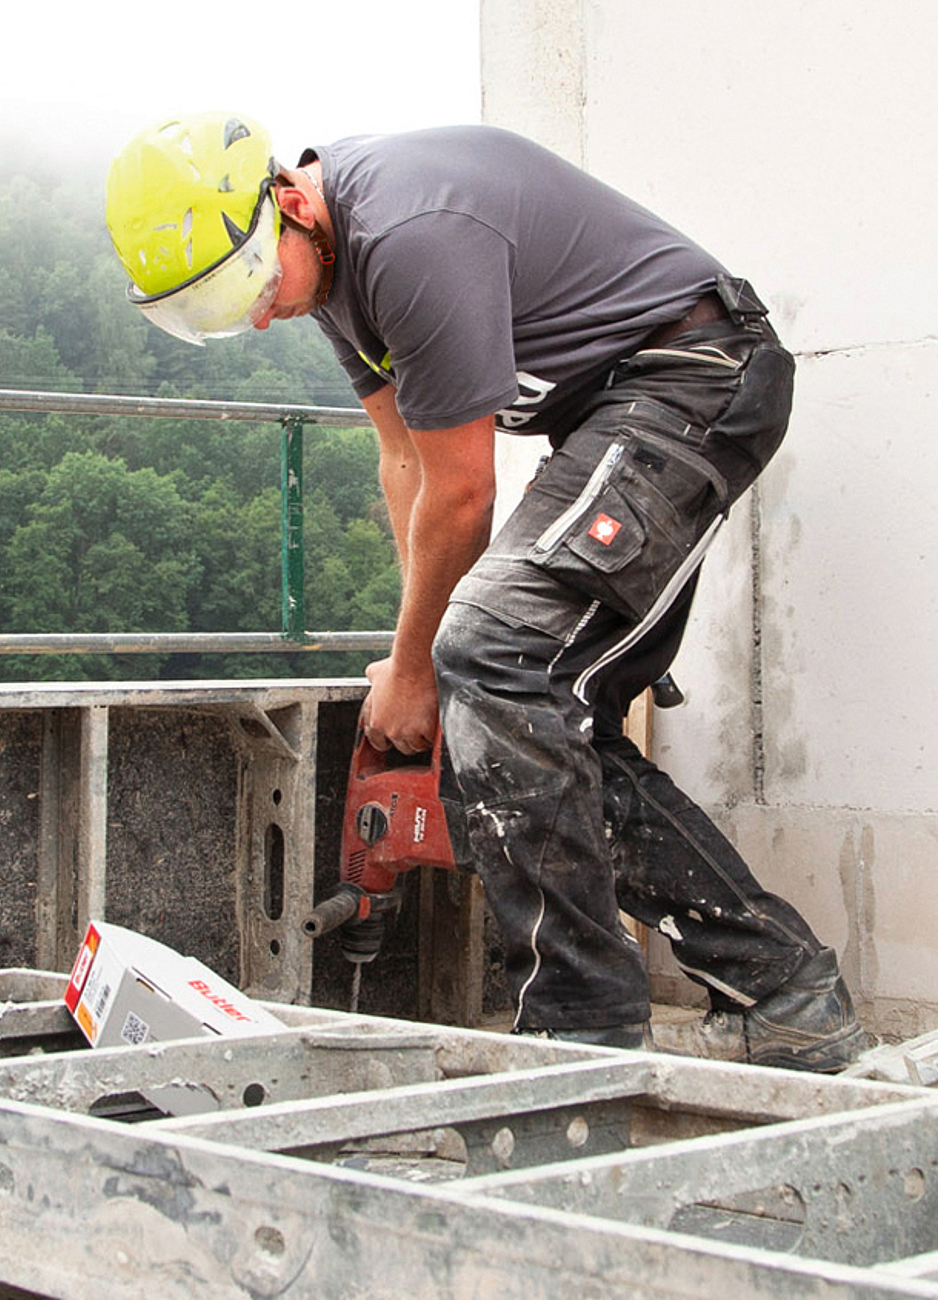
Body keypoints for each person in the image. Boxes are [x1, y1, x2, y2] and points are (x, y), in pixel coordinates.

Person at [105, 112, 865, 1071]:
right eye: (217, 312)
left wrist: (425, 663)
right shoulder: (331, 274)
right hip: (622, 414)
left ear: (290, 203)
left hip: (694, 378)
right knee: (520, 705)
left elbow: (464, 490)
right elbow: (405, 465)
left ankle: (580, 1029)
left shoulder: (409, 235)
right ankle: (787, 991)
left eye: (251, 283)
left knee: (493, 657)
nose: (256, 314)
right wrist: (411, 645)